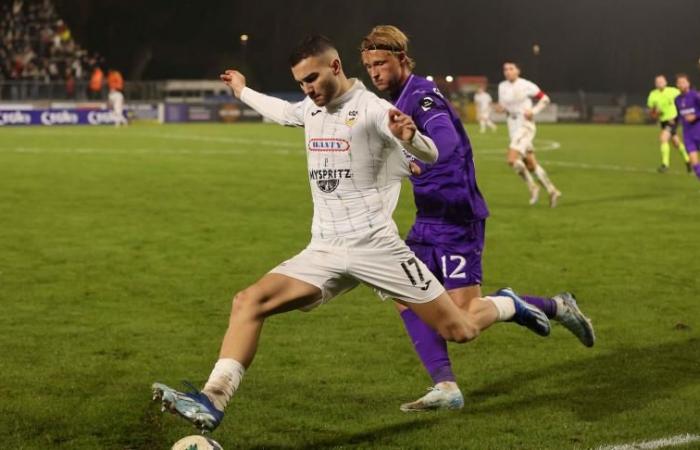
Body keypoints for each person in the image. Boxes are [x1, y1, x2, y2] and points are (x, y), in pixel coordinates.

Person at [152, 35, 550, 432]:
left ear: (336, 67)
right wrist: (242, 90)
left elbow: (430, 153)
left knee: (460, 329)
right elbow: (282, 111)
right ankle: (212, 399)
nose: (308, 90)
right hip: (324, 249)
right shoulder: (311, 108)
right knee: (248, 302)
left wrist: (412, 137)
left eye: (312, 79)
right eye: (301, 83)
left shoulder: (375, 109)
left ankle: (510, 305)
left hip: (377, 248)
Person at [360, 25, 595, 411]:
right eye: (369, 65)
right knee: (405, 294)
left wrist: (413, 145)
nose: (375, 72)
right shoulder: (398, 97)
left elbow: (446, 142)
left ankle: (524, 304)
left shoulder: (422, 95)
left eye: (381, 63)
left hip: (457, 216)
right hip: (428, 216)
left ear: (402, 59)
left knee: (464, 322)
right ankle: (446, 386)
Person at [498, 62, 561, 207]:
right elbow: (505, 106)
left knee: (512, 160)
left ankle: (533, 187)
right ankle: (552, 191)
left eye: (511, 69)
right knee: (531, 165)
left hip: (525, 126)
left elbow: (545, 98)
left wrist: (533, 111)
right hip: (512, 127)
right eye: (505, 69)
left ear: (518, 71)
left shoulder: (526, 85)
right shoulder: (502, 86)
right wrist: (502, 109)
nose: (507, 71)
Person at [647, 75, 690, 173]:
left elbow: (685, 97)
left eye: (661, 81)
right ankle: (688, 160)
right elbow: (652, 113)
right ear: (655, 84)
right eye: (658, 82)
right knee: (676, 143)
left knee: (663, 138)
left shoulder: (673, 91)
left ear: (666, 82)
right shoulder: (653, 95)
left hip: (673, 119)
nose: (660, 83)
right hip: (663, 121)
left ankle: (665, 164)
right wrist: (656, 112)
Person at [674, 73, 700, 180]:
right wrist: (674, 133)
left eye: (683, 82)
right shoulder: (677, 100)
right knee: (696, 166)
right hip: (688, 136)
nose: (681, 84)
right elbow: (678, 117)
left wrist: (696, 116)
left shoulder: (695, 96)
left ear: (688, 83)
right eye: (679, 83)